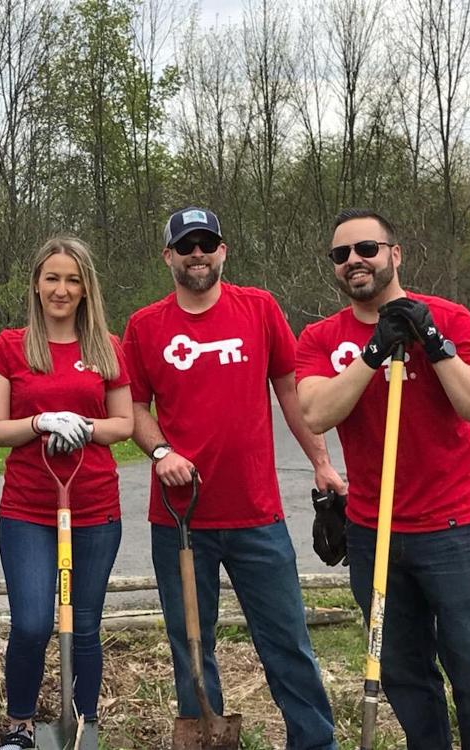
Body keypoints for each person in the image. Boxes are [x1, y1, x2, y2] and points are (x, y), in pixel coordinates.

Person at [121, 207, 344, 749]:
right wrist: (161, 452)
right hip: (180, 518)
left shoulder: (259, 309)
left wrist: (321, 461)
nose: (197, 254)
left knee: (287, 642)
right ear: (169, 256)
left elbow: (290, 391)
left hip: (256, 515)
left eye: (207, 244)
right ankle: (207, 735)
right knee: (192, 646)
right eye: (186, 245)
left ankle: (315, 742)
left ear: (223, 251)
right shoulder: (145, 326)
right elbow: (133, 406)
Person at [295, 208, 470, 749]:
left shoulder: (450, 318)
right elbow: (316, 413)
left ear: (395, 254)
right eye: (341, 254)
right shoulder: (321, 338)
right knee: (403, 674)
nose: (354, 260)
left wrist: (434, 344)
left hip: (454, 530)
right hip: (375, 533)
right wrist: (372, 354)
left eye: (366, 248)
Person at [0, 236, 133, 750]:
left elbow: (124, 422)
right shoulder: (11, 347)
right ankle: (21, 726)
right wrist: (40, 421)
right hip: (28, 509)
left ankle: (82, 727)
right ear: (36, 284)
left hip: (94, 506)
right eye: (52, 278)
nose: (61, 289)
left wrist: (86, 426)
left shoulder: (106, 348)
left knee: (84, 624)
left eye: (72, 280)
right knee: (31, 623)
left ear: (86, 288)